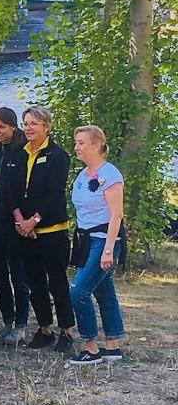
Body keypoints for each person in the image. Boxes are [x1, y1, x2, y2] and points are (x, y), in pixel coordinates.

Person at [11, 106, 76, 353]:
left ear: (46, 127)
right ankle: (45, 328)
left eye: (33, 124)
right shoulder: (19, 154)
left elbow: (54, 194)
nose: (28, 128)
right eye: (25, 123)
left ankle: (67, 330)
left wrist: (34, 220)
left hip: (52, 229)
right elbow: (12, 191)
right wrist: (20, 220)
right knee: (35, 282)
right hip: (25, 230)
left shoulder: (59, 155)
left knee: (57, 281)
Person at [68, 125, 125, 365]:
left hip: (103, 239)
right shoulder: (83, 175)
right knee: (104, 290)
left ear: (96, 145)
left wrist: (109, 249)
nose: (76, 147)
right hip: (86, 238)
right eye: (76, 142)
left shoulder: (110, 174)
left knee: (78, 290)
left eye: (81, 142)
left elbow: (116, 215)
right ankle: (113, 345)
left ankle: (90, 347)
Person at [0, 107, 29, 344]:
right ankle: (7, 321)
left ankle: (22, 324)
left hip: (14, 221)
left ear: (13, 126)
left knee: (18, 274)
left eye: (1, 127)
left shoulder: (22, 151)